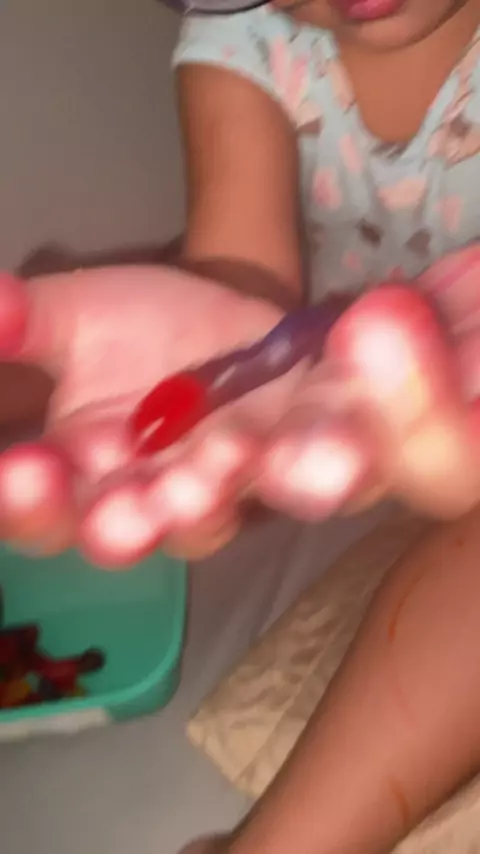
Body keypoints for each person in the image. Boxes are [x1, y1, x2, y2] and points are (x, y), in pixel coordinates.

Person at [2, 0, 480, 850]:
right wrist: (246, 411)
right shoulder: (241, 39)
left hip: (440, 384)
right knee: (84, 353)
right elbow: (244, 295)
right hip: (317, 372)